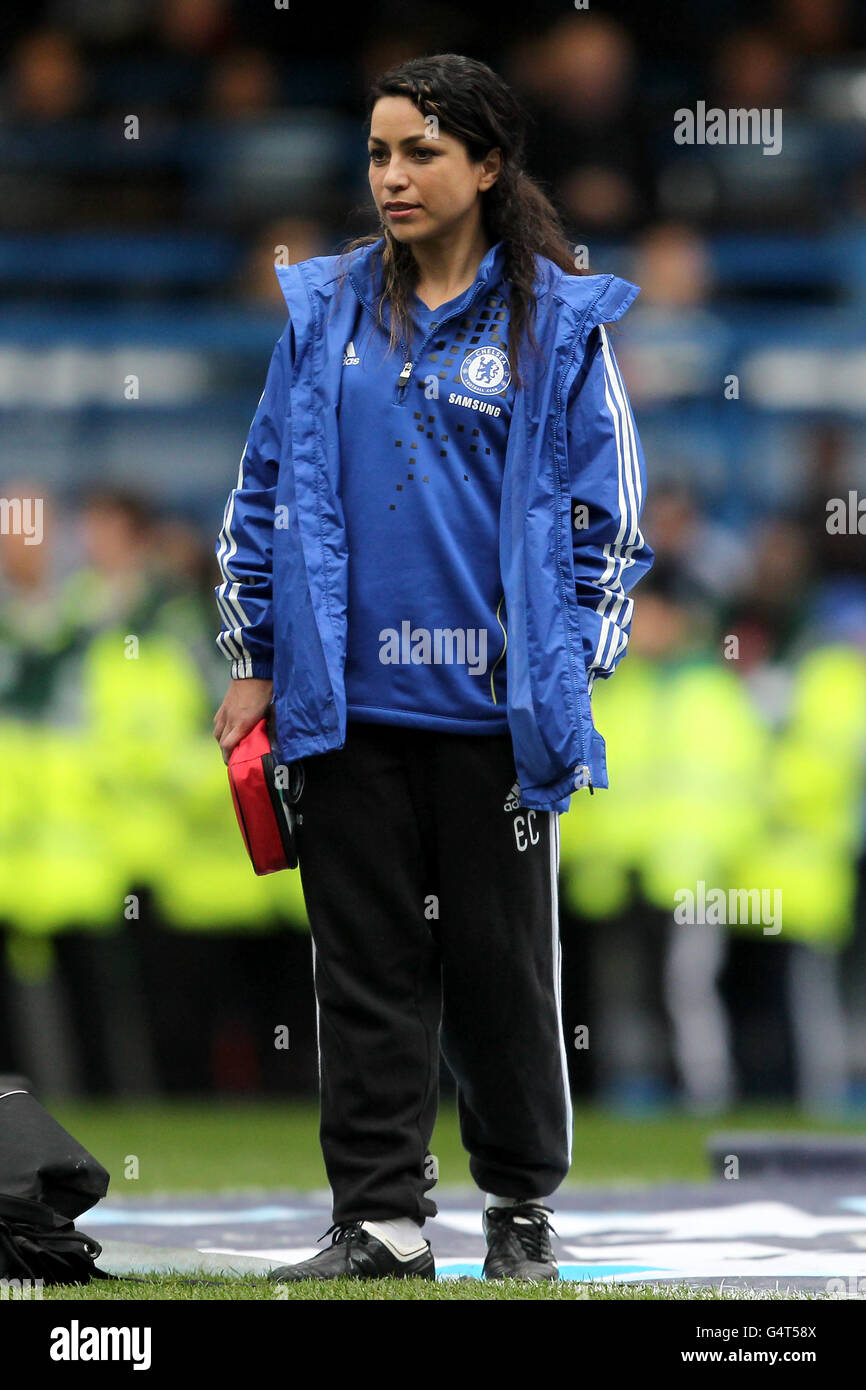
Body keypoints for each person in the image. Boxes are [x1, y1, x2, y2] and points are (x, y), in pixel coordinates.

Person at [212, 53, 653, 1283]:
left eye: (419, 152)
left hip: (490, 714)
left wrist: (570, 666)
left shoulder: (556, 320)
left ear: (488, 164)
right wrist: (252, 657)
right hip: (339, 705)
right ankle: (382, 1222)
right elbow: (260, 493)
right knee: (362, 972)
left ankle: (517, 1209)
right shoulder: (323, 311)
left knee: (503, 977)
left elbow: (607, 519)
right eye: (376, 153)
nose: (391, 176)